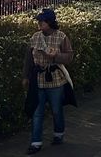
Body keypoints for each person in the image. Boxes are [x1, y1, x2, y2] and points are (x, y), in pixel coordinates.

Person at [23, 9, 74, 154]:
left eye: (42, 21)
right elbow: (28, 59)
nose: (39, 23)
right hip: (38, 79)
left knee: (56, 110)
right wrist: (25, 76)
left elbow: (69, 57)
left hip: (55, 79)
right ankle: (36, 142)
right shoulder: (35, 37)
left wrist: (56, 56)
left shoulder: (61, 37)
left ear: (50, 22)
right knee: (37, 111)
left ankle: (59, 133)